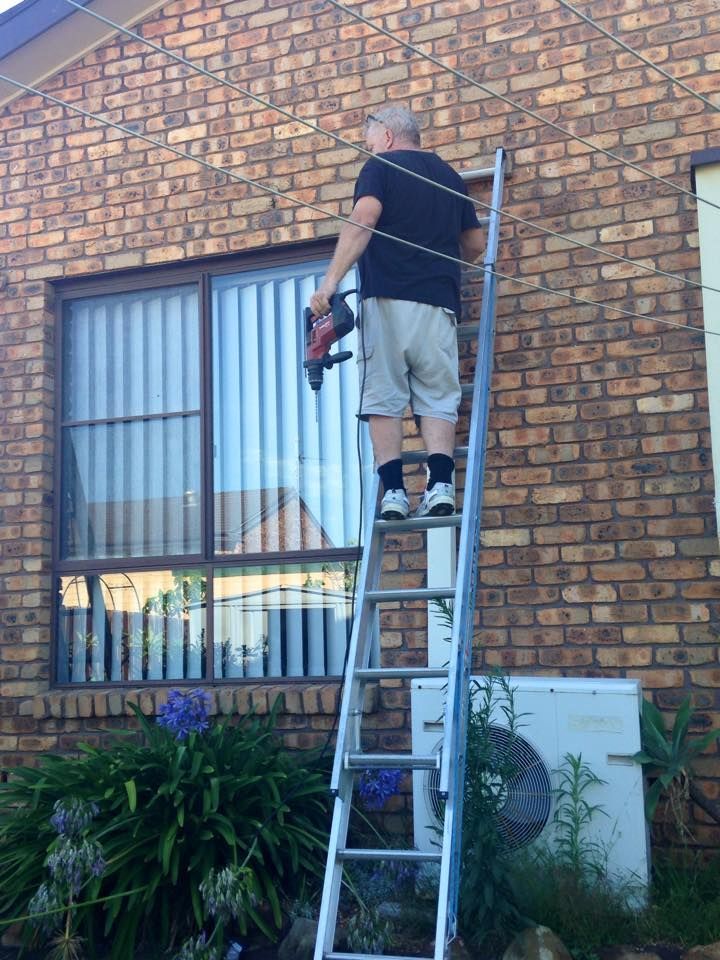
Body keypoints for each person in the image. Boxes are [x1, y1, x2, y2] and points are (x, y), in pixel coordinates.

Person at [309, 106, 485, 520]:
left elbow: (363, 221)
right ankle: (441, 486)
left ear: (387, 137)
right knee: (438, 398)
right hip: (439, 307)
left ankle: (394, 493)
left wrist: (330, 282)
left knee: (383, 400)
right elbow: (475, 245)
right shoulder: (449, 177)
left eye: (369, 139)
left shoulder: (380, 168)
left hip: (387, 303)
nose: (368, 147)